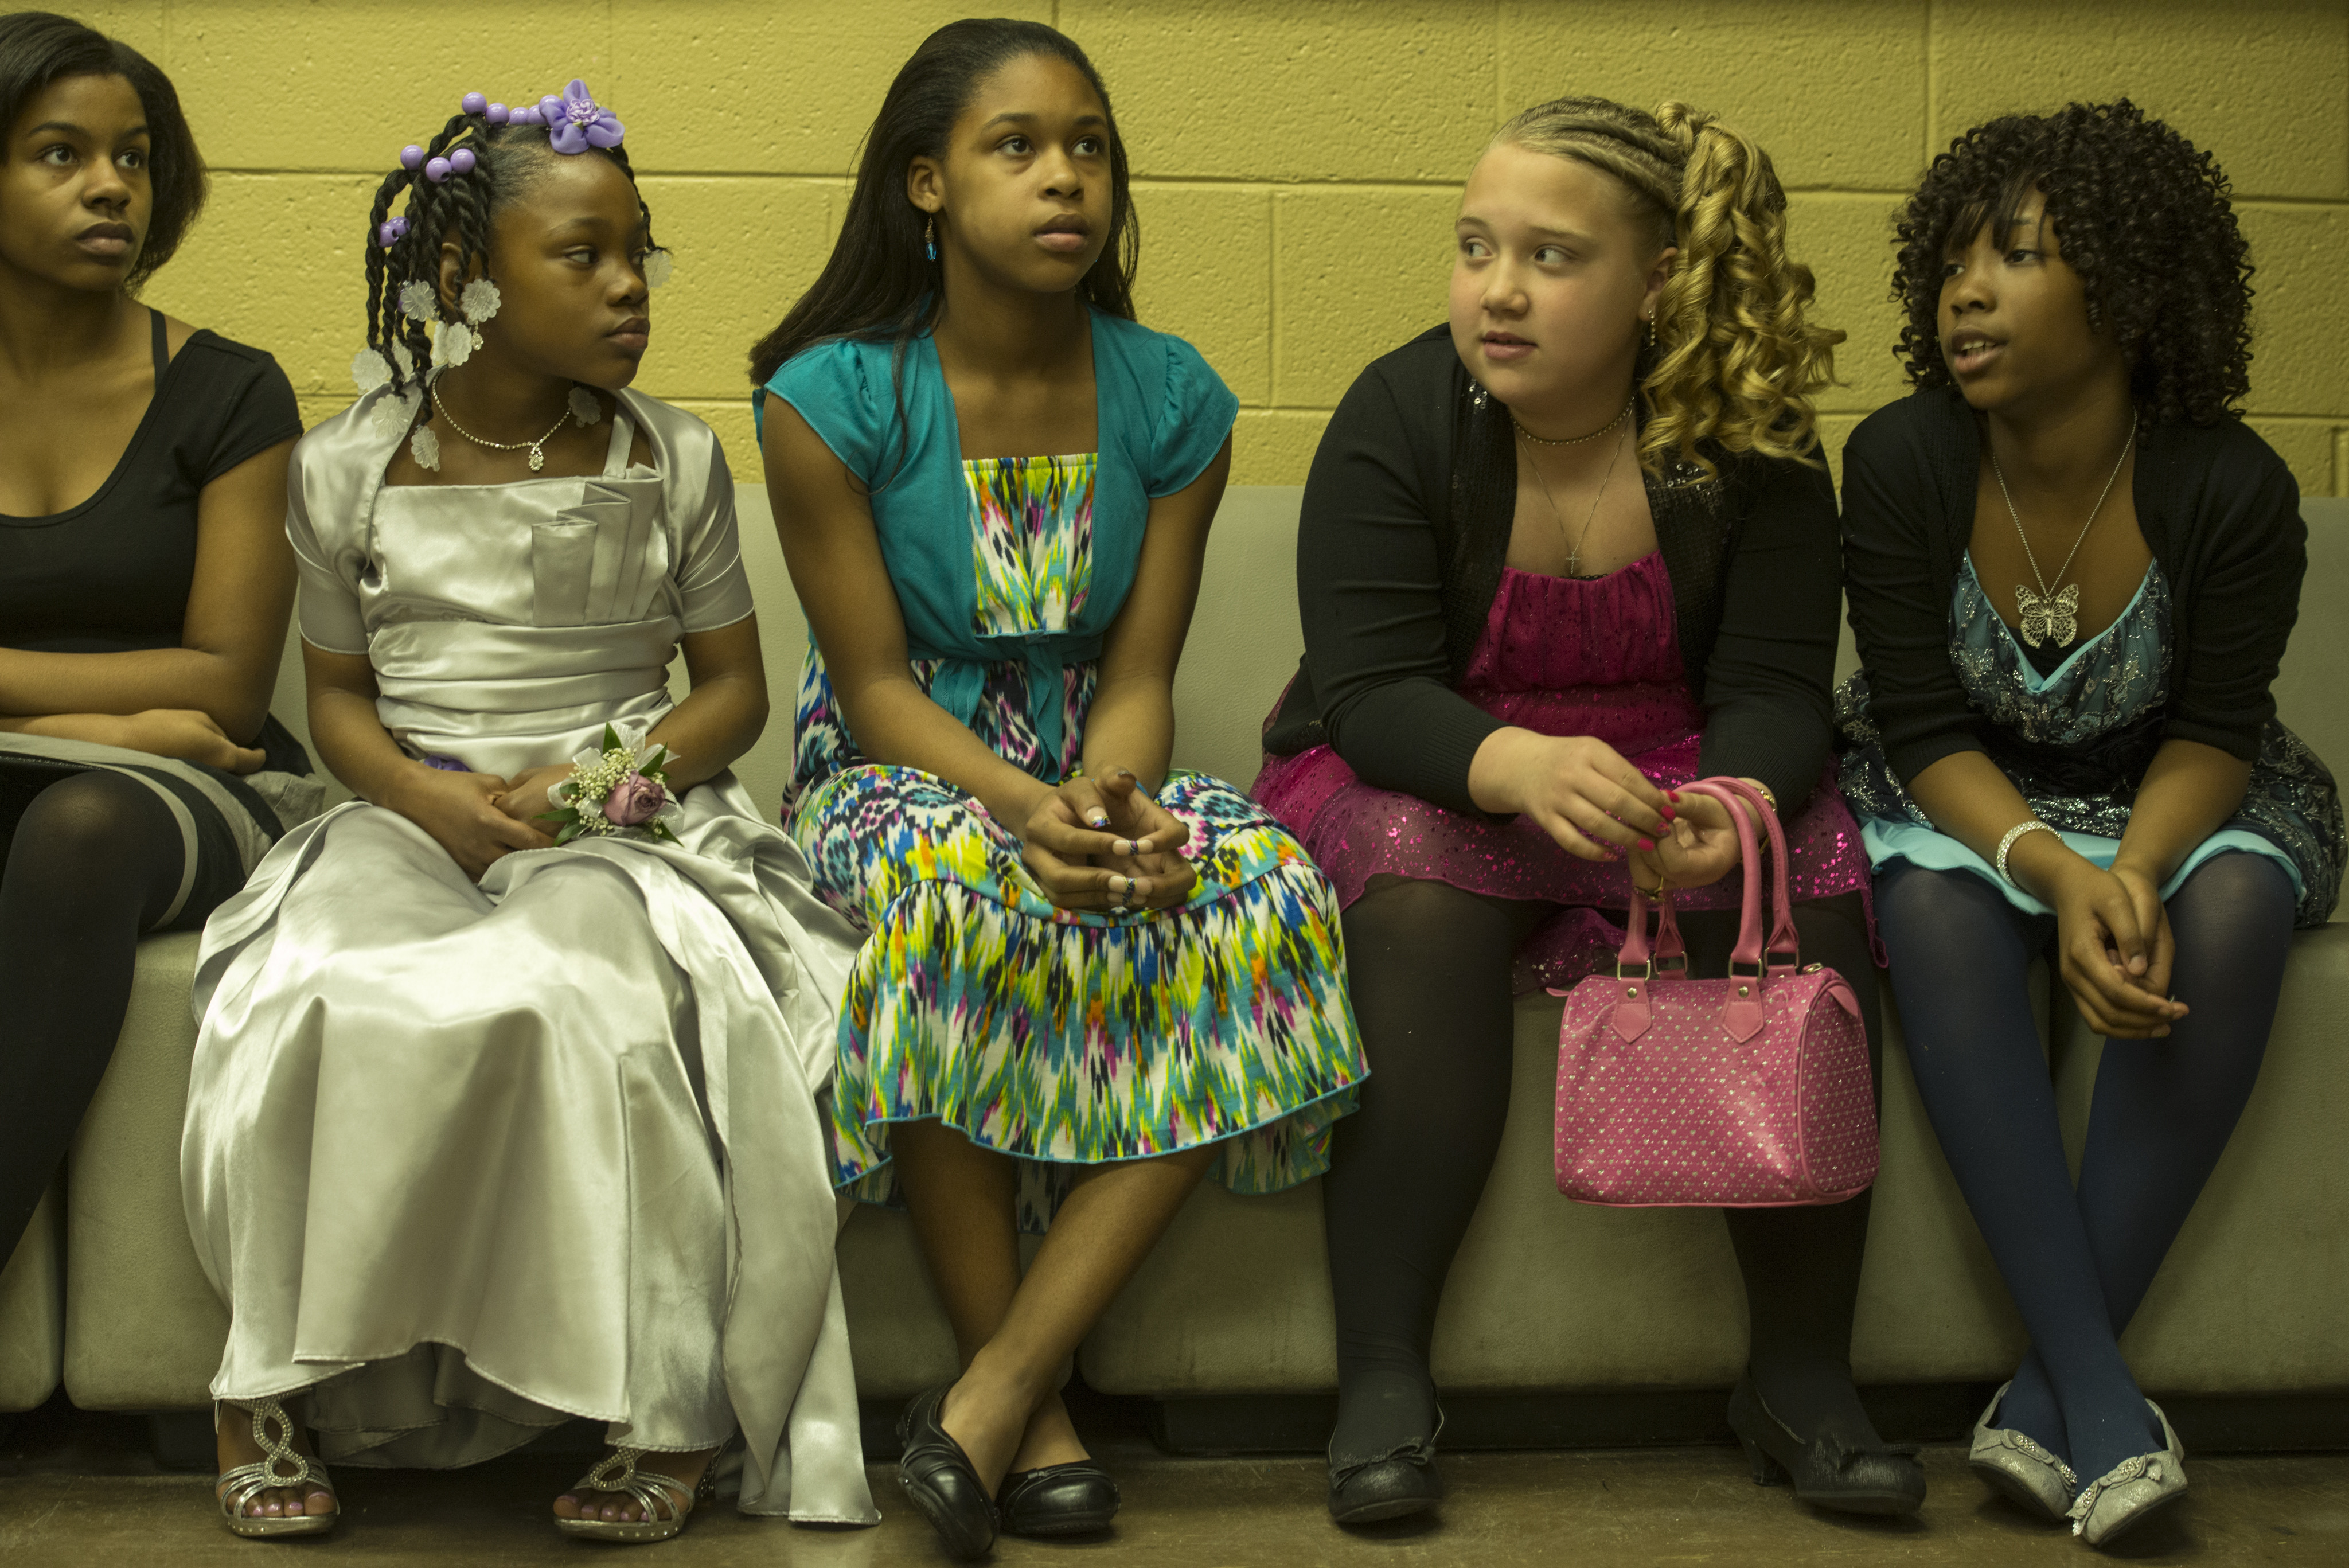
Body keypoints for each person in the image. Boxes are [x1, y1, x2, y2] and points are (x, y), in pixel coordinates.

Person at [180, 81, 876, 1543]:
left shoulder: (669, 457)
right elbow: (339, 703)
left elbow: (733, 693)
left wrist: (600, 784)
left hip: (616, 815)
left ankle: (661, 1400)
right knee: (317, 990)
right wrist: (420, 796)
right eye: (585, 253)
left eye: (642, 250)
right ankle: (265, 1386)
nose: (629, 284)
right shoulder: (343, 465)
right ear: (463, 278)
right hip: (412, 804)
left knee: (589, 995)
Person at [1255, 96, 1924, 1525]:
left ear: (1657, 281)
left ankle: (1799, 1376)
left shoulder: (1753, 445)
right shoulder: (1397, 413)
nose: (1494, 291)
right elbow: (1370, 686)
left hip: (1666, 773)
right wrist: (1517, 766)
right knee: (1416, 882)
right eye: (1473, 247)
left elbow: (1775, 687)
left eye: (1550, 257)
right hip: (1443, 764)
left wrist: (1729, 799)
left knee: (1798, 865)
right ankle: (1381, 1375)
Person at [754, 19, 1363, 1559]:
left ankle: (990, 1392)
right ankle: (1045, 1413)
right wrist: (1023, 816)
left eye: (1087, 144)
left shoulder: (1174, 399)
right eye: (1016, 146)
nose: (1065, 177)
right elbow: (877, 685)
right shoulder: (832, 399)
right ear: (927, 185)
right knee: (954, 889)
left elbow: (1144, 669)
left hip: (1099, 763)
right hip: (899, 770)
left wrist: (1115, 808)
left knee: (1263, 883)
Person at [1837, 99, 2342, 1548]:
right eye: (1947, 263)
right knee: (1930, 908)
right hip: (1961, 799)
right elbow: (1922, 730)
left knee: (2233, 906)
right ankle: (2103, 1401)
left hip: (2164, 790)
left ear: (2123, 292)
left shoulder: (2228, 484)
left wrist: (2125, 867)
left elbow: (2213, 730)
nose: (1964, 291)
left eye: (2017, 257)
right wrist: (2051, 872)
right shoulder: (1902, 459)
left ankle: (2045, 1397)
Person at [0, 10, 310, 1267]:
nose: (110, 185)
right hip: (116, 742)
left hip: (197, 784)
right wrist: (103, 721)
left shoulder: (230, 390)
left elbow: (227, 687)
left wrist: (124, 748)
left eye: (132, 157)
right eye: (60, 154)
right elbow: (162, 695)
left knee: (81, 828)